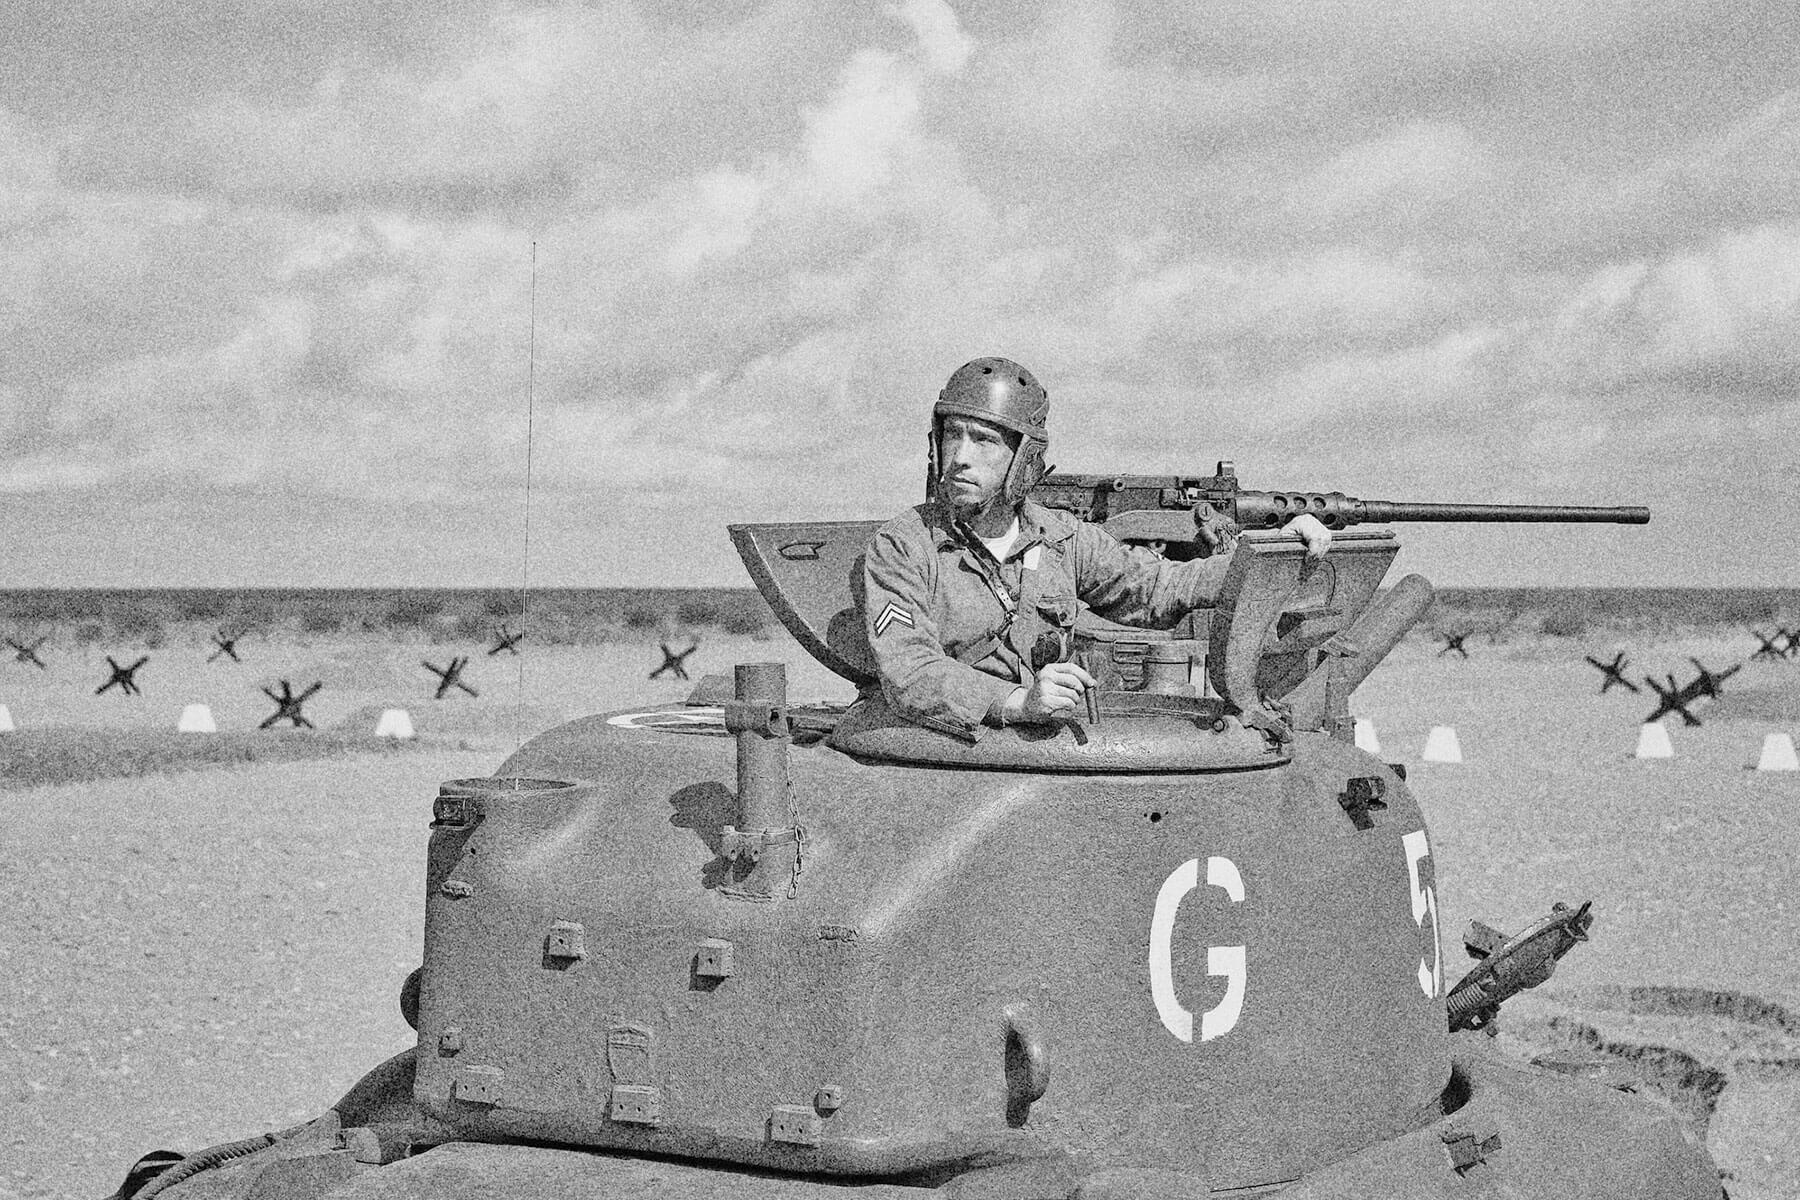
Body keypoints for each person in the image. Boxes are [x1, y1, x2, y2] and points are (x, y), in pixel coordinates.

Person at [861, 357, 1331, 740]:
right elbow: (910, 670)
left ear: (1024, 461)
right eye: (952, 435)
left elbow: (1159, 588)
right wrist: (1018, 701)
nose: (961, 456)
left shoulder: (1062, 540)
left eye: (983, 440)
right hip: (954, 751)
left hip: (1042, 755)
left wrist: (1272, 549)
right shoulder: (903, 546)